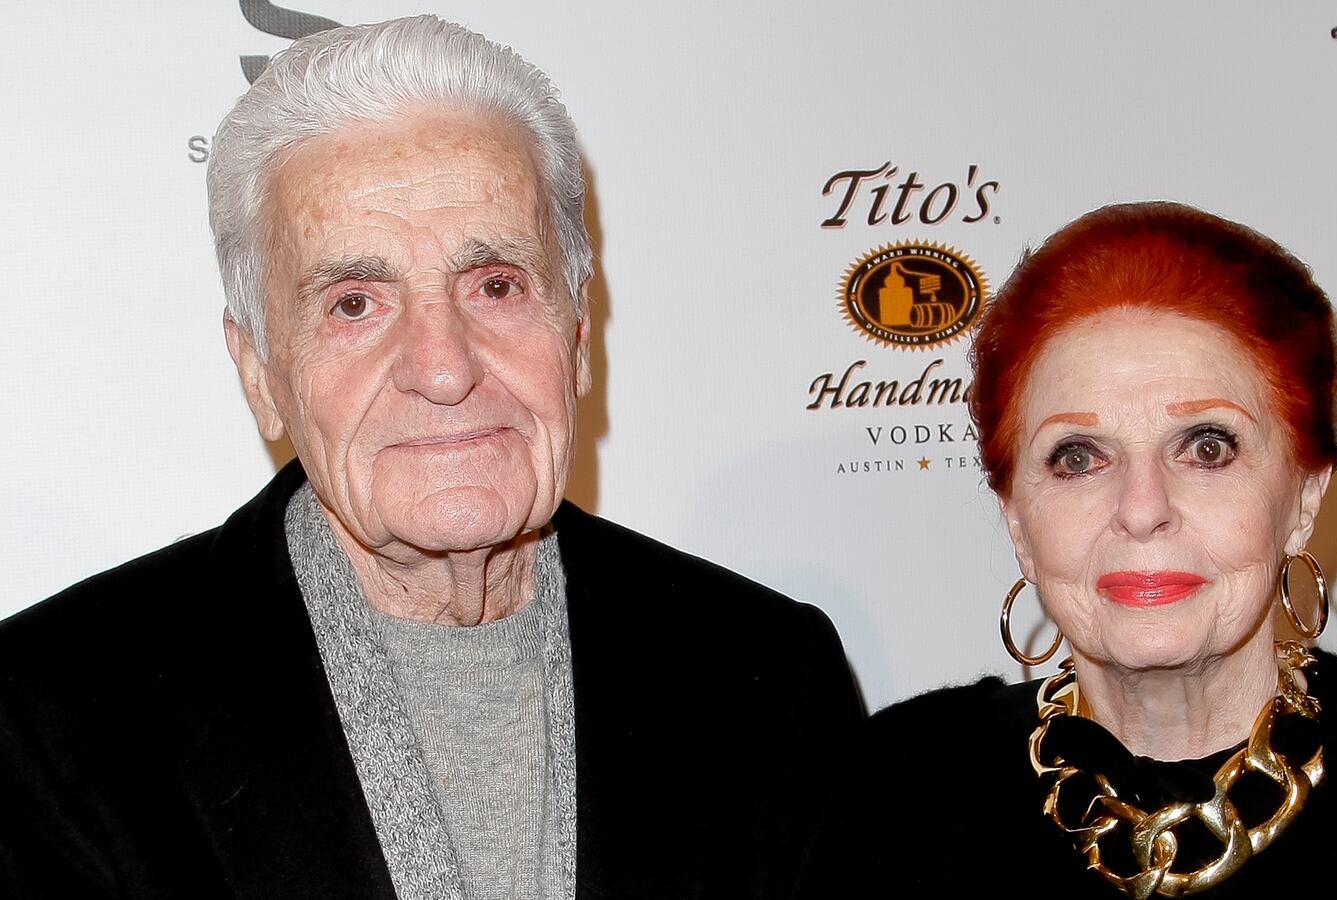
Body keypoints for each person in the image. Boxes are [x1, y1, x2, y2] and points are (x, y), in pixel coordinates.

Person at [0, 16, 861, 899]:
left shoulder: (769, 677)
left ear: (576, 333)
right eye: (354, 304)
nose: (444, 368)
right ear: (260, 372)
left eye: (496, 285)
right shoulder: (51, 717)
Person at [802, 202, 1337, 899]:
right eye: (1078, 457)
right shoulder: (894, 799)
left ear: (1304, 498)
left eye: (1207, 447)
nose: (1142, 510)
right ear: (1016, 518)